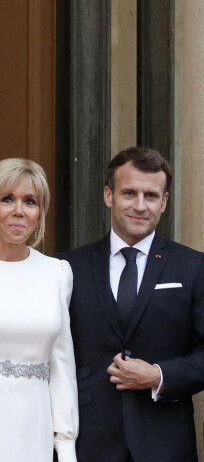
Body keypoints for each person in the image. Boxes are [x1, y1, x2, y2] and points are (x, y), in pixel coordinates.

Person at [59, 147, 204, 462]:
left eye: (151, 196)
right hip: (87, 440)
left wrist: (159, 375)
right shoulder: (68, 268)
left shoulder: (192, 266)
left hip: (164, 442)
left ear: (164, 202)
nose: (140, 206)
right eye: (129, 193)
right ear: (109, 195)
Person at [0, 158, 78, 461]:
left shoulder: (57, 273)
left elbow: (62, 363)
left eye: (29, 201)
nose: (19, 210)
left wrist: (66, 443)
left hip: (35, 424)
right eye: (7, 199)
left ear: (40, 212)